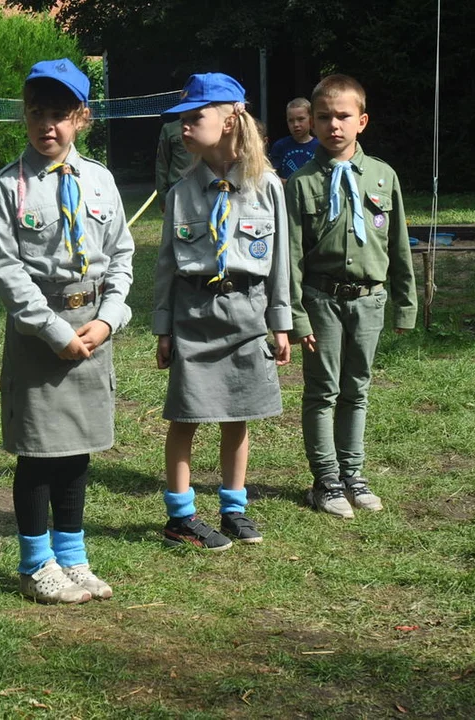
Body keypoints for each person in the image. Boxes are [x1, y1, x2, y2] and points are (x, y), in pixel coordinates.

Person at [0, 58, 134, 604]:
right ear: (25, 117)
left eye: (59, 114)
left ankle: (72, 556)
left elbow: (121, 254)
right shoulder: (10, 186)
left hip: (94, 331)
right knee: (39, 452)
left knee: (78, 452)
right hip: (40, 336)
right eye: (36, 113)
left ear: (82, 117)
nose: (47, 125)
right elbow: (5, 268)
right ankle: (35, 564)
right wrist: (54, 332)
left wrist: (108, 319)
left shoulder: (100, 180)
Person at [153, 73, 292, 551]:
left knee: (240, 413)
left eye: (196, 117)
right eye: (182, 120)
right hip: (194, 314)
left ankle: (234, 510)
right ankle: (181, 517)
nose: (184, 128)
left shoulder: (266, 186)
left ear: (231, 117)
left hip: (248, 312)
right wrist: (163, 328)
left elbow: (281, 262)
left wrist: (281, 323)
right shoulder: (181, 192)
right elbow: (166, 267)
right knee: (185, 417)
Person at [286, 74, 416, 518]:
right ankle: (325, 480)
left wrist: (406, 303)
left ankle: (353, 474)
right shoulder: (300, 183)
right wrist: (296, 317)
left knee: (356, 389)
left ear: (362, 121)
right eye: (324, 117)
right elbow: (290, 258)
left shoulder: (383, 176)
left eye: (343, 116)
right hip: (320, 299)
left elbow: (397, 244)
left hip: (369, 301)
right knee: (322, 391)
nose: (332, 125)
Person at [269, 97, 319, 181]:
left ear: (311, 119)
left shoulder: (319, 146)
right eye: (291, 120)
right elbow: (272, 175)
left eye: (301, 119)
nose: (295, 124)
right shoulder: (280, 146)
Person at [156, 118, 194, 213]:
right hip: (179, 192)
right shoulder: (170, 128)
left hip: (208, 190)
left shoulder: (212, 125)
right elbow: (162, 165)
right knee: (182, 227)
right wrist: (163, 197)